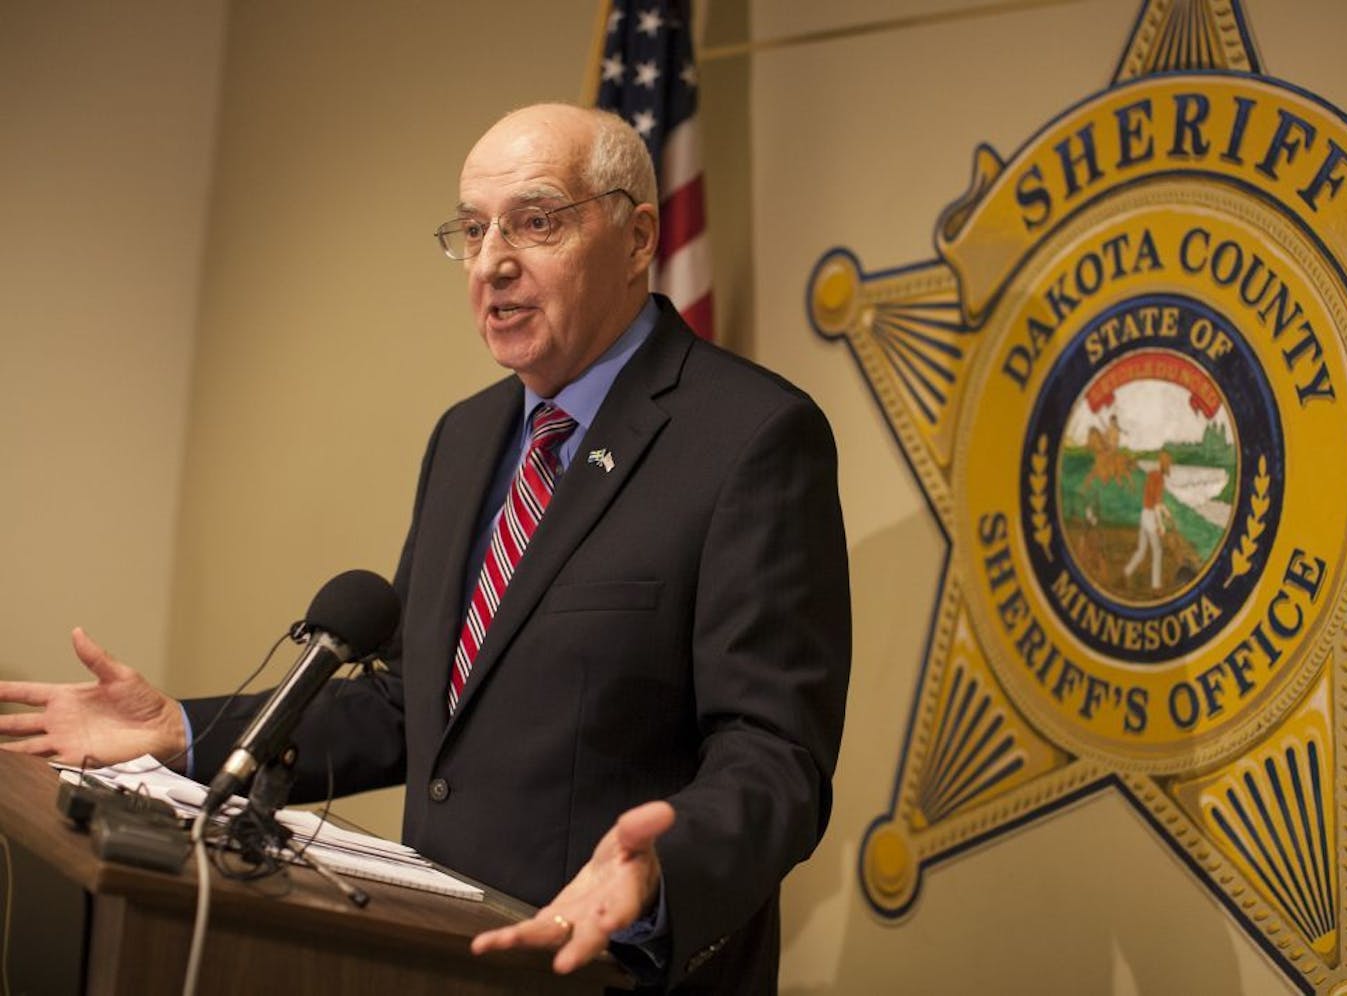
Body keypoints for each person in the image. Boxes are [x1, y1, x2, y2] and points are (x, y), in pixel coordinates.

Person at [0, 104, 852, 993]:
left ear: (638, 237)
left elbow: (774, 752)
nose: (493, 264)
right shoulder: (469, 435)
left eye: (536, 222)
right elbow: (410, 703)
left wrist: (659, 871)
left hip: (606, 966)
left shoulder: (750, 436)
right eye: (473, 230)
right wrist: (174, 732)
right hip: (434, 953)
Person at [1123, 449, 1173, 591]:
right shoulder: (1160, 478)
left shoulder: (1152, 474)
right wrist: (1161, 525)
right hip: (1151, 516)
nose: (1169, 466)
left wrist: (1166, 512)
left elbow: (1155, 501)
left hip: (1144, 514)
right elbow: (1156, 504)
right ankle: (1156, 585)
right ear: (1165, 464)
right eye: (1168, 463)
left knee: (1141, 549)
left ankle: (1127, 572)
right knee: (1157, 550)